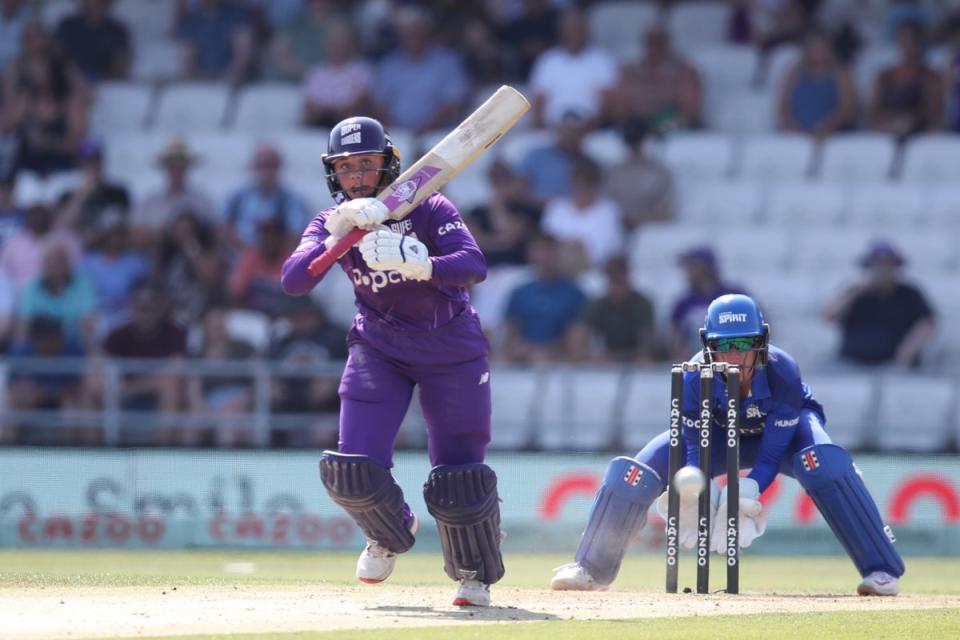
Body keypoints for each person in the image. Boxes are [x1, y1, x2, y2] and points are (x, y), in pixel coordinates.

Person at [280, 116, 504, 607]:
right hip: (379, 347)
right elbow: (294, 282)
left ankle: (473, 571)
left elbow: (474, 266)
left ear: (389, 165)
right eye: (347, 168)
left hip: (451, 349)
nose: (358, 176)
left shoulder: (429, 208)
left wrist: (418, 261)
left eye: (367, 164)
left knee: (459, 474)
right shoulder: (329, 222)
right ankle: (388, 531)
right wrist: (331, 237)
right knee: (354, 467)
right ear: (332, 174)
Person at [550, 294, 905, 597]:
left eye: (743, 344)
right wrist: (694, 491)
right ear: (708, 345)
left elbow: (769, 453)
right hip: (717, 435)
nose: (733, 356)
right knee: (632, 474)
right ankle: (590, 567)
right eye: (723, 346)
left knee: (825, 463)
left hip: (784, 436)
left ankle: (880, 570)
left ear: (761, 341)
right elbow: (693, 447)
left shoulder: (783, 371)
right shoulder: (693, 374)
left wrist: (748, 491)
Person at [823, 240, 936, 368]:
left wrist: (904, 356)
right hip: (850, 363)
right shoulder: (854, 292)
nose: (882, 270)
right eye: (876, 265)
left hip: (891, 365)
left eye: (887, 265)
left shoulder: (910, 294)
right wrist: (855, 293)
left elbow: (927, 324)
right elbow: (828, 317)